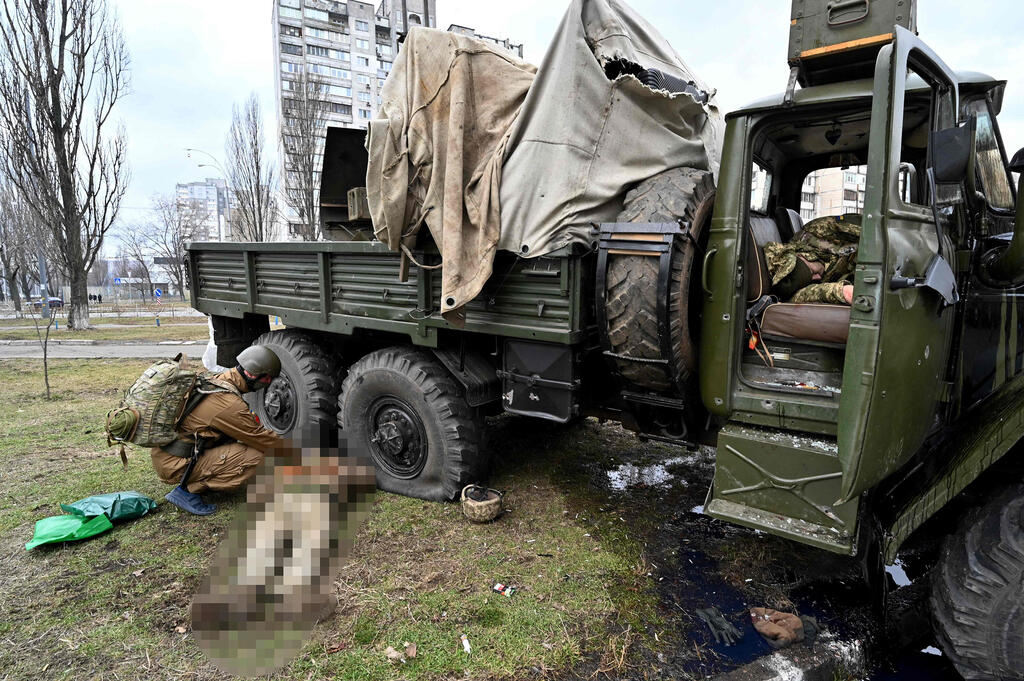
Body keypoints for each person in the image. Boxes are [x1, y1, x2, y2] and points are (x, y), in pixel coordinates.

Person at [153, 345, 284, 515]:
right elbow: (262, 440)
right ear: (251, 374)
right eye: (266, 378)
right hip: (175, 464)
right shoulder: (228, 404)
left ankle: (200, 476)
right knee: (258, 457)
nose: (268, 383)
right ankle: (188, 489)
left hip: (169, 454)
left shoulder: (220, 380)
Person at [764, 214, 861, 305]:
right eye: (811, 281)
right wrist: (842, 291)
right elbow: (828, 292)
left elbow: (870, 226)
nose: (818, 277)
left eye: (812, 271)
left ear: (801, 256)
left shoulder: (817, 231)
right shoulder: (796, 289)